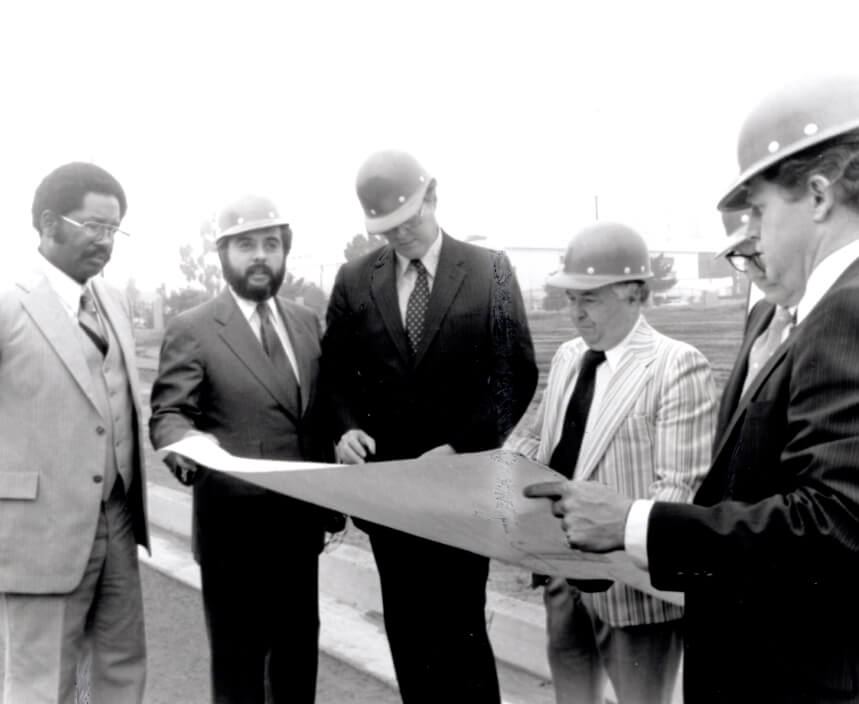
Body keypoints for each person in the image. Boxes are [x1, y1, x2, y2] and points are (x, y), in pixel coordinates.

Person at [525, 75, 859, 702]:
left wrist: (631, 520)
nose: (751, 234)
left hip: (792, 674)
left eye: (758, 210)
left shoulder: (846, 311)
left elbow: (836, 524)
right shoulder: (810, 312)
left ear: (817, 195)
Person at [321, 149, 538, 704]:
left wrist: (461, 446)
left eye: (408, 222)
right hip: (390, 495)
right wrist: (344, 429)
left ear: (433, 197)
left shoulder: (490, 270)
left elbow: (516, 374)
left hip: (461, 488)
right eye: (386, 230)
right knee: (409, 641)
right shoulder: (354, 280)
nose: (400, 237)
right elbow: (336, 376)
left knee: (463, 636)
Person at [505, 222, 716, 704]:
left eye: (591, 298)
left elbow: (679, 490)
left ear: (635, 294)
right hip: (563, 579)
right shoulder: (566, 357)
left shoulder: (676, 365)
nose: (576, 313)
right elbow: (536, 439)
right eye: (570, 298)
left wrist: (618, 547)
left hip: (633, 597)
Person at [149, 194, 338, 704]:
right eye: (246, 245)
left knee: (298, 666)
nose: (260, 256)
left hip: (299, 531)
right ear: (223, 256)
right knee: (238, 673)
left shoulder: (304, 322)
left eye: (271, 244)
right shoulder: (194, 327)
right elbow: (169, 413)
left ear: (284, 252)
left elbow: (316, 412)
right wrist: (186, 445)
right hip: (233, 531)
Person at [0, 162, 148, 703]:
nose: (106, 242)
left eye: (115, 230)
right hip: (38, 530)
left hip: (116, 520)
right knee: (41, 685)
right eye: (94, 226)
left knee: (121, 670)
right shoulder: (9, 304)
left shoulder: (113, 301)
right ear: (48, 223)